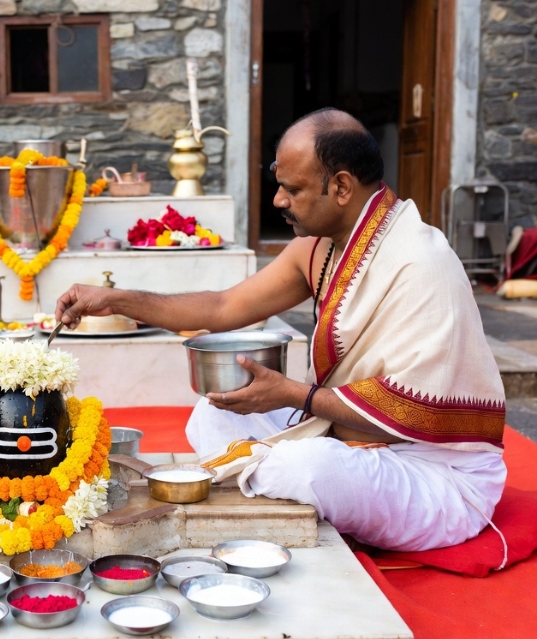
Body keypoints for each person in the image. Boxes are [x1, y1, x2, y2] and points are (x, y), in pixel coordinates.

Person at [55, 108, 507, 552]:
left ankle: (275, 476)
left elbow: (418, 413)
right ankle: (279, 478)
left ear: (341, 186)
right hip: (339, 436)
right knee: (212, 413)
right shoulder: (320, 249)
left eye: (293, 189)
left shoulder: (421, 263)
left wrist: (293, 395)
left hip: (432, 471)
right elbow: (224, 306)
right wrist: (116, 300)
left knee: (308, 466)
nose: (278, 201)